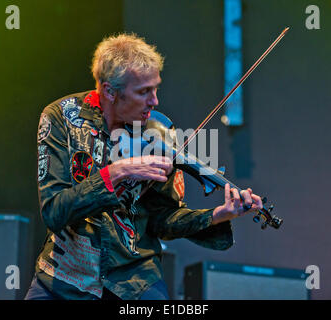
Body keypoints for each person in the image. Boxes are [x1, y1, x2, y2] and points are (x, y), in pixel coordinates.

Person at [25, 33, 263, 300]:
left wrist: (217, 215)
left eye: (156, 88)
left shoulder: (160, 132)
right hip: (66, 277)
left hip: (134, 280)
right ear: (109, 91)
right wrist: (118, 172)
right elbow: (55, 211)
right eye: (143, 92)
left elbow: (162, 220)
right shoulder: (60, 118)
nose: (155, 101)